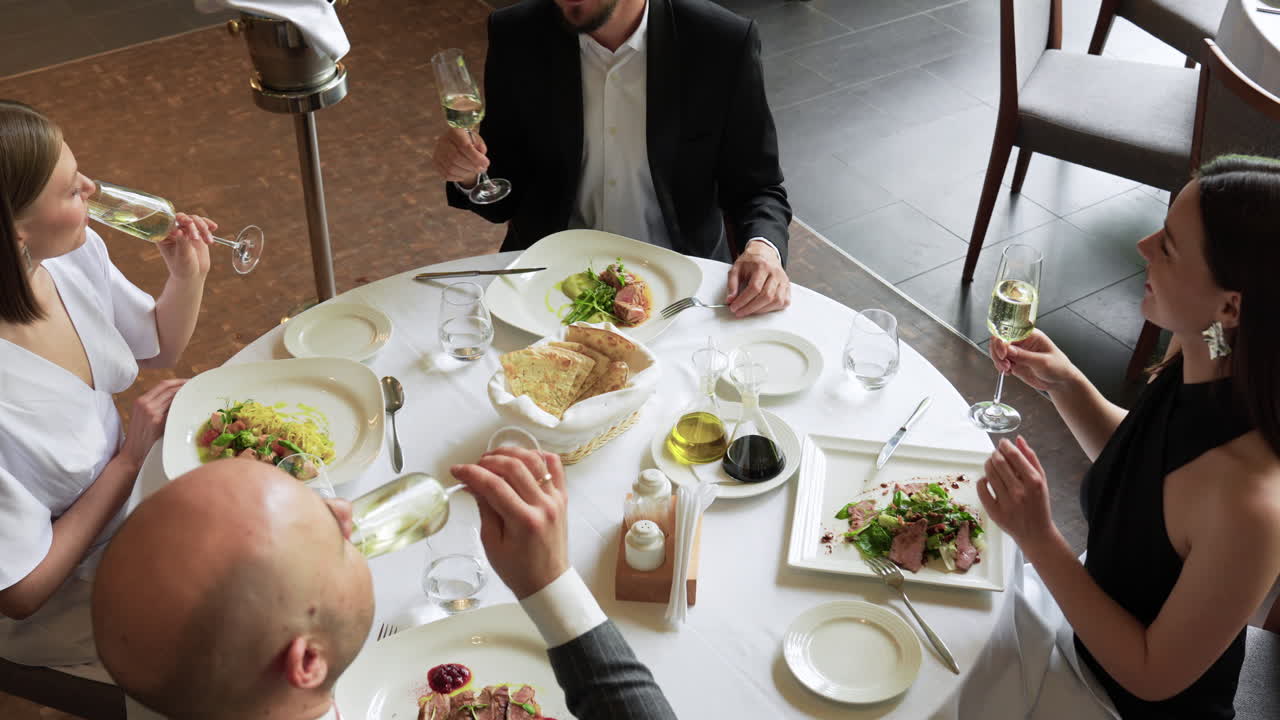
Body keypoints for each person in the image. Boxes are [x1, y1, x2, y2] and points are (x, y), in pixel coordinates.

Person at [947, 155, 1280, 719]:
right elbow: (1151, 477)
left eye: (1169, 245)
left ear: (1230, 306)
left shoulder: (1251, 507)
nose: (1143, 246)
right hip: (1077, 635)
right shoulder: (1199, 351)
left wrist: (1039, 537)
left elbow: (1151, 675)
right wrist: (1067, 385)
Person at [92, 449, 678, 720]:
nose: (349, 513)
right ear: (306, 661)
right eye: (332, 536)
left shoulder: (183, 681)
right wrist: (550, 583)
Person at [0, 100, 217, 667]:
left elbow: (158, 345)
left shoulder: (69, 258)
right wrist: (127, 460)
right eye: (72, 191)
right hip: (75, 583)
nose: (92, 191)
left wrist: (185, 276)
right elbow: (22, 591)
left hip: (140, 494)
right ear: (15, 228)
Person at [432, 0, 792, 318]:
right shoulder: (518, 33)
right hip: (547, 284)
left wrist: (763, 249)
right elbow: (502, 198)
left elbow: (757, 185)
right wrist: (469, 175)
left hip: (678, 285)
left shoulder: (720, 41)